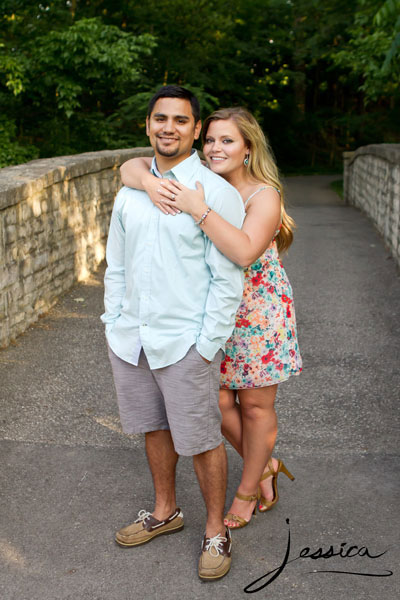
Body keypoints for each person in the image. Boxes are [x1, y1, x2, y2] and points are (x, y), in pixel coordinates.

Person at [120, 106, 302, 530]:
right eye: (212, 140)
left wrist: (196, 208)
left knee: (254, 407)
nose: (216, 148)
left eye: (228, 141)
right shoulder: (200, 177)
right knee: (216, 404)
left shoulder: (263, 195)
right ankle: (267, 466)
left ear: (247, 149)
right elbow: (129, 166)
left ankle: (246, 490)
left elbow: (241, 251)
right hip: (206, 310)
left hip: (256, 314)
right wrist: (149, 180)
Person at [101, 87, 245, 580]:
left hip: (185, 341)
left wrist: (206, 344)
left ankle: (214, 530)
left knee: (202, 438)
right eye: (160, 119)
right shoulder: (130, 191)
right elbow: (115, 264)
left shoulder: (216, 193)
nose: (169, 127)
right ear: (147, 126)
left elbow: (228, 278)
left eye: (181, 120)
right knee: (153, 427)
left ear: (196, 130)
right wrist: (112, 320)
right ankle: (165, 511)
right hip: (131, 337)